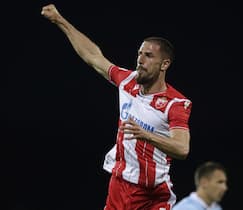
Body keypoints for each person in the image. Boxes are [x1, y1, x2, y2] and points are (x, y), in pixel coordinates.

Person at [41, 4, 192, 210]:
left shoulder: (175, 104)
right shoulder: (127, 81)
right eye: (139, 53)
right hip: (119, 186)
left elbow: (182, 149)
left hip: (152, 194)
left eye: (148, 55)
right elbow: (93, 56)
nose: (140, 60)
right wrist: (59, 20)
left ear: (164, 64)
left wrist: (146, 135)